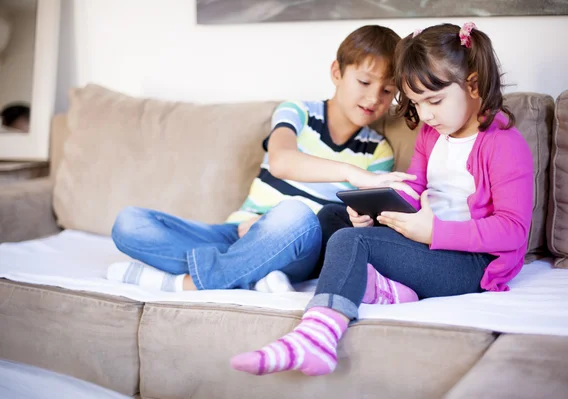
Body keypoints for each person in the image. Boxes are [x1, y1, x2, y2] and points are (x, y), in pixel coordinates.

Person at [230, 22, 534, 377]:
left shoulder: (504, 144)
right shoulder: (432, 133)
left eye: (434, 101)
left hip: (470, 263)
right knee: (332, 217)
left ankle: (316, 338)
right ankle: (382, 288)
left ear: (473, 84)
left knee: (350, 241)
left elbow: (513, 231)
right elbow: (413, 185)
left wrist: (434, 233)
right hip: (424, 240)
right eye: (417, 103)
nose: (426, 115)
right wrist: (375, 210)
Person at [106, 25, 418, 293]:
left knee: (294, 214)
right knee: (129, 223)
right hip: (237, 231)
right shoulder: (297, 111)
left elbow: (356, 230)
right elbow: (281, 161)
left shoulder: (379, 151)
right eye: (364, 82)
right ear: (337, 72)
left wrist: (362, 217)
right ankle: (252, 274)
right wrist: (352, 173)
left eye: (387, 90)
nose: (374, 97)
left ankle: (189, 283)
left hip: (296, 243)